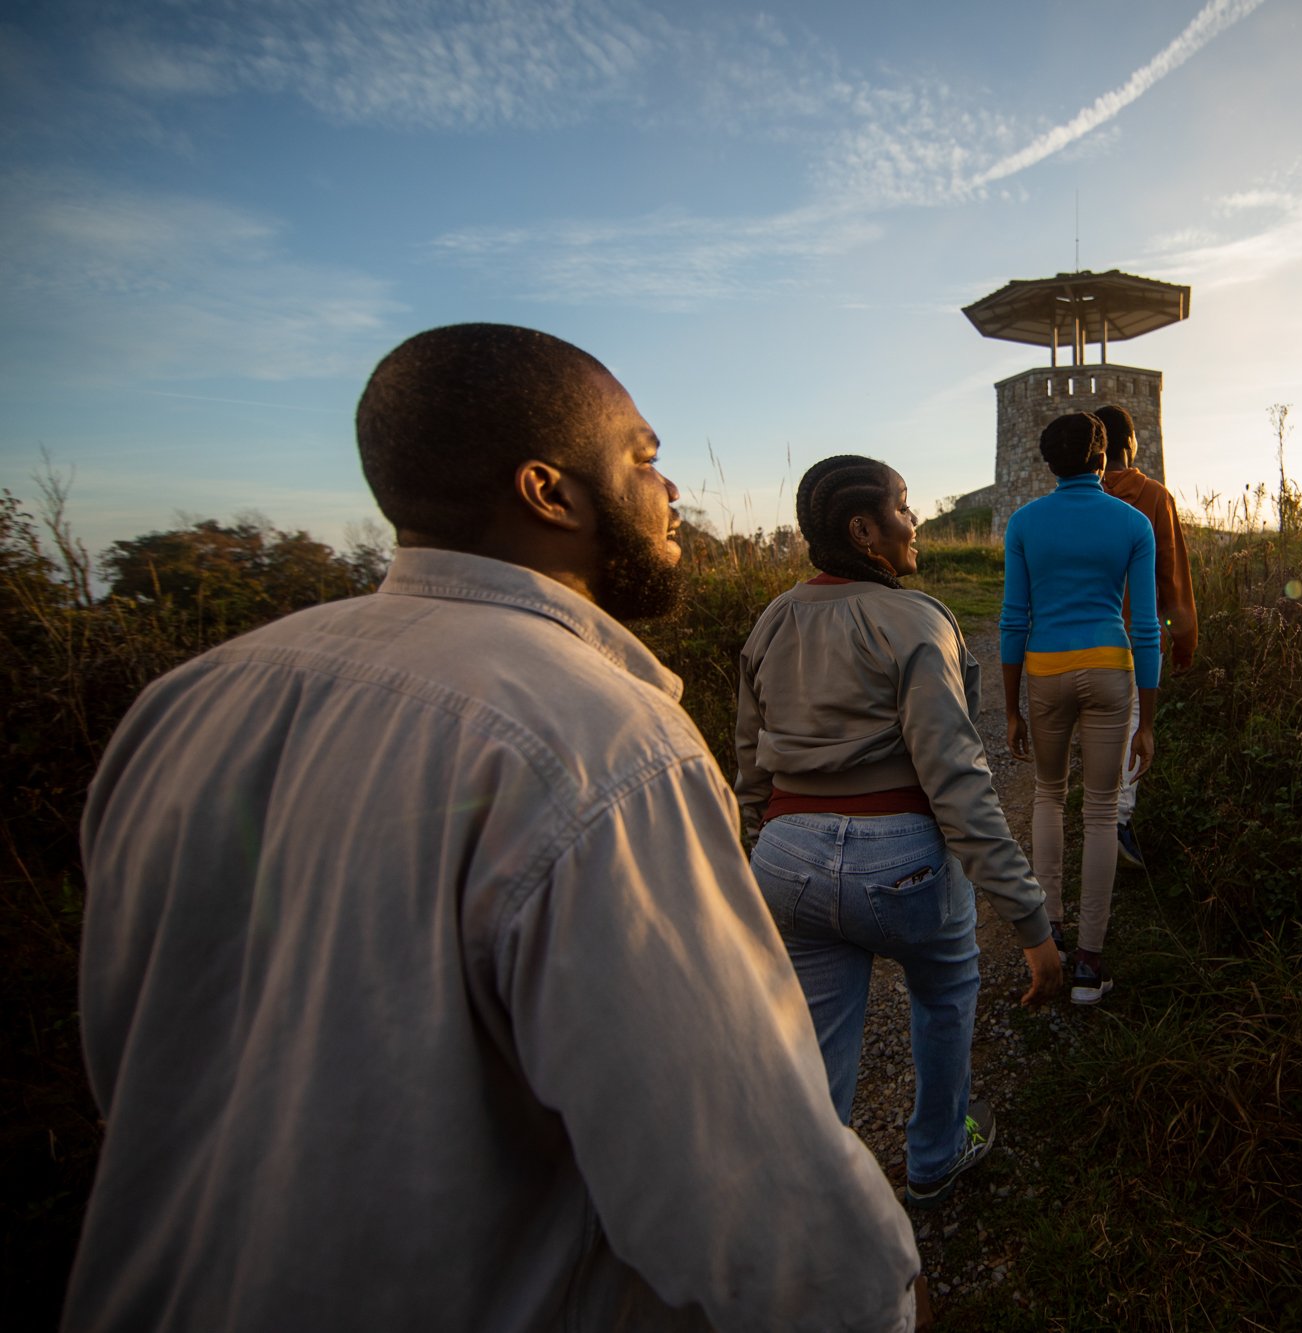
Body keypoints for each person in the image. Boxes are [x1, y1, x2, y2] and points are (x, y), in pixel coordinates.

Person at [66, 324, 924, 1332]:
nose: (672, 490)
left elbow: (130, 1061)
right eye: (644, 458)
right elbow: (745, 1185)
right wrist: (872, 1302)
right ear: (548, 491)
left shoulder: (187, 700)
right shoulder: (599, 738)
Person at [735, 456, 1064, 1209]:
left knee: (818, 1038)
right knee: (946, 986)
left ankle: (814, 1200)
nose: (915, 523)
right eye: (904, 508)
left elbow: (750, 759)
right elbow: (958, 783)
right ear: (864, 530)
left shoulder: (772, 619)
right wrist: (1030, 918)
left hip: (786, 855)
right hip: (900, 860)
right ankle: (936, 1154)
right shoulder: (917, 619)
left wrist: (765, 838)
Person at [1000, 414, 1161, 1005]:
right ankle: (1090, 967)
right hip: (1112, 670)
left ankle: (1053, 935)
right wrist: (1149, 719)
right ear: (1104, 458)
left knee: (1047, 795)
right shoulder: (1133, 523)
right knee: (1098, 813)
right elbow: (1145, 626)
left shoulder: (1024, 522)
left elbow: (1014, 618)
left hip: (1044, 669)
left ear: (1049, 463)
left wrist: (1013, 706)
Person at [1090, 403, 1198, 871]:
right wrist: (1183, 639)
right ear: (1130, 445)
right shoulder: (1154, 497)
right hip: (1136, 639)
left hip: (1080, 642)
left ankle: (1096, 810)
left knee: (1096, 727)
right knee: (1135, 727)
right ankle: (1117, 821)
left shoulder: (1079, 497)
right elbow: (1172, 577)